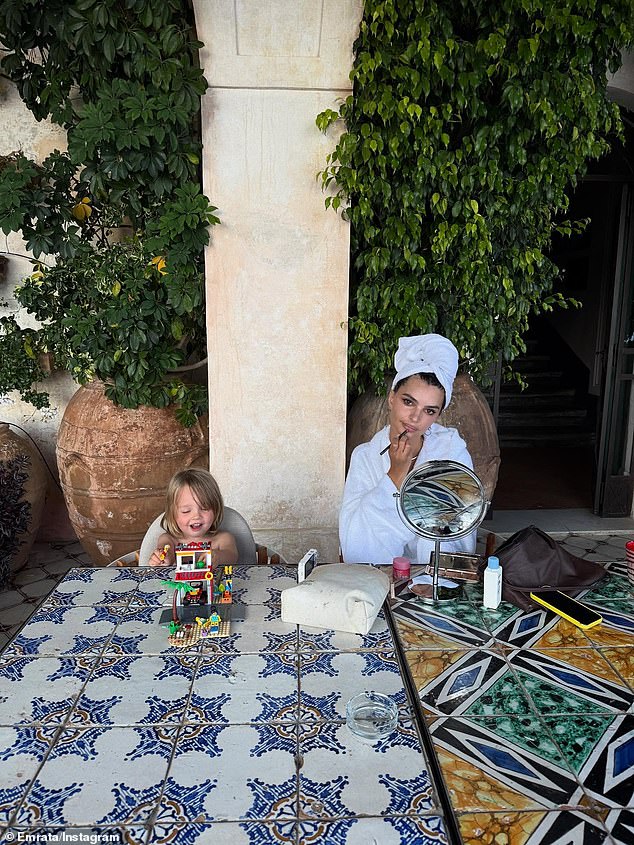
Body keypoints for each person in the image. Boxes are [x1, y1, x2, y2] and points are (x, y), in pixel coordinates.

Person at [339, 333, 476, 565]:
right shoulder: (366, 457)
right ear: (392, 397)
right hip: (379, 580)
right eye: (408, 402)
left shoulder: (451, 452)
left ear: (438, 416)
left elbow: (457, 536)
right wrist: (395, 475)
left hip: (437, 583)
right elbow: (357, 544)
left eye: (429, 411)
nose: (415, 417)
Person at [148, 468, 238, 567]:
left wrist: (217, 556)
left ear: (216, 509)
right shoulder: (169, 540)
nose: (196, 516)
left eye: (204, 508)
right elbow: (167, 554)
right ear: (172, 514)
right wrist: (161, 559)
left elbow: (231, 556)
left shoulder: (223, 539)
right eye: (186, 511)